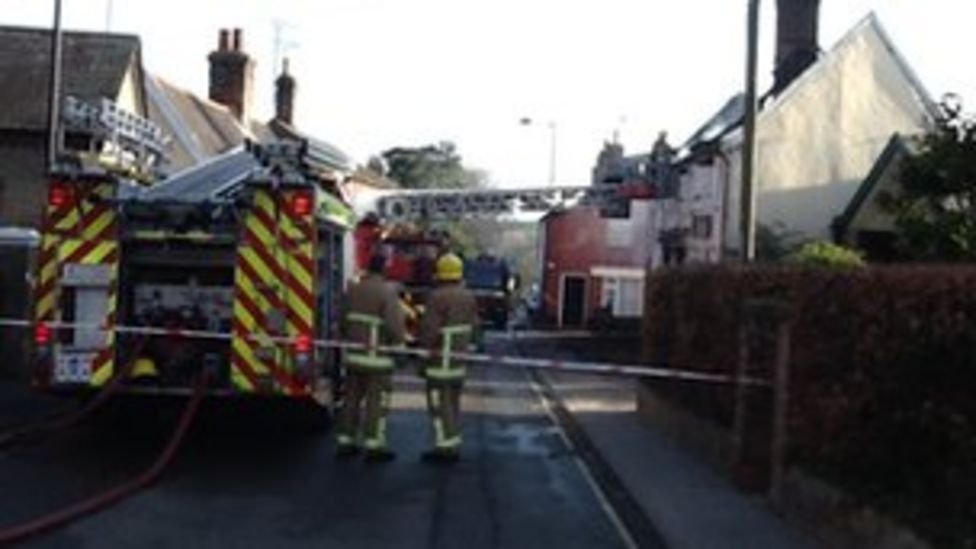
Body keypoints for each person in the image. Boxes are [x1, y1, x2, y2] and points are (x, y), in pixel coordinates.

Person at [335, 254, 406, 462]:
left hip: (354, 358)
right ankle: (374, 445)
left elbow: (342, 321)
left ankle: (346, 441)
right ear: (383, 269)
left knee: (351, 401)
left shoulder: (353, 290)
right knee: (377, 403)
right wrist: (400, 349)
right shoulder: (386, 292)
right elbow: (394, 326)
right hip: (378, 360)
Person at [417, 252, 480, 463]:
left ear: (440, 274)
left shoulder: (437, 297)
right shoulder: (468, 296)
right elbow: (476, 327)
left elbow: (429, 330)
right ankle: (452, 442)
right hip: (458, 362)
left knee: (438, 405)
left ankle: (444, 447)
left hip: (439, 362)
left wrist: (422, 356)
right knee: (453, 404)